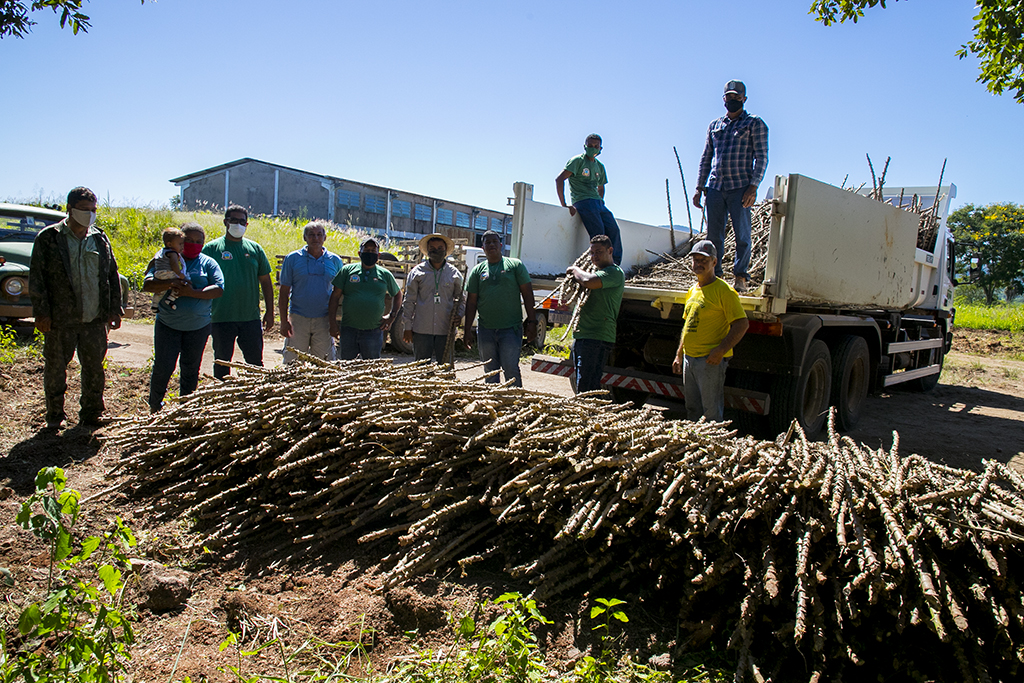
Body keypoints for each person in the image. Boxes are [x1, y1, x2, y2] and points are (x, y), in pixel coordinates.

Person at [29, 186, 122, 429]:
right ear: (69, 209)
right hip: (60, 319)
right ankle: (55, 416)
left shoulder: (99, 238)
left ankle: (91, 414)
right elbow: (37, 278)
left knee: (94, 369)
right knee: (56, 369)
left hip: (93, 318)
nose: (89, 214)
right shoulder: (50, 238)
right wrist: (41, 312)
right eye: (83, 209)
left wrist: (114, 309)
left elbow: (111, 275)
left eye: (92, 210)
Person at [692, 80, 769, 293]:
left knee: (742, 234)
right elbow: (706, 157)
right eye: (729, 97)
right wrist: (699, 187)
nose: (732, 100)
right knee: (714, 236)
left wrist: (753, 186)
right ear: (723, 99)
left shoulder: (755, 123)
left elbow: (762, 157)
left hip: (741, 187)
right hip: (716, 187)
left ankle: (740, 276)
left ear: (744, 99)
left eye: (737, 97)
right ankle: (713, 276)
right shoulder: (715, 125)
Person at [143, 223, 223, 413]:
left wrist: (191, 292)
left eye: (199, 241)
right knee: (163, 367)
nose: (193, 244)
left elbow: (219, 289)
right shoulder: (162, 258)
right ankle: (155, 407)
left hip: (198, 327)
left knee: (190, 369)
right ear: (178, 240)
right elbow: (147, 285)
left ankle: (185, 409)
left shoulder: (208, 263)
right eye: (188, 241)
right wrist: (171, 283)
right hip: (168, 325)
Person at [671, 240, 749, 422]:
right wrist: (679, 354)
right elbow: (688, 325)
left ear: (714, 262)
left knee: (711, 413)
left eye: (703, 261)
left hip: (709, 361)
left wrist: (720, 350)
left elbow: (741, 324)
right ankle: (694, 447)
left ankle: (711, 447)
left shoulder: (724, 291)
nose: (698, 264)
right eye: (695, 260)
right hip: (690, 359)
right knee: (692, 408)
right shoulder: (693, 290)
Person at [201, 204, 274, 379]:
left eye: (242, 221)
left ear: (247, 225)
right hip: (221, 317)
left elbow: (266, 281)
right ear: (226, 222)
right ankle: (220, 395)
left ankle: (256, 396)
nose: (238, 224)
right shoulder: (212, 249)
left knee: (255, 362)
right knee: (222, 361)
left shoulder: (255, 249)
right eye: (234, 220)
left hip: (250, 317)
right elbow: (201, 281)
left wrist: (270, 312)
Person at [463, 230, 537, 386]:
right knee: (490, 371)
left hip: (510, 329)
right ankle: (494, 404)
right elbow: (471, 302)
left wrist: (532, 322)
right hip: (485, 330)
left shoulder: (515, 265)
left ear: (501, 245)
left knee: (510, 369)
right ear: (482, 247)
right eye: (487, 242)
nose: (491, 245)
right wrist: (467, 329)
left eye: (494, 242)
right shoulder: (477, 271)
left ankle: (515, 403)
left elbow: (528, 295)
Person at [565, 234, 624, 393]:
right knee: (584, 384)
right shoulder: (595, 271)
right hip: (584, 335)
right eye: (592, 253)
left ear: (610, 250)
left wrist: (575, 269)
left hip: (596, 336)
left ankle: (587, 415)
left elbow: (589, 282)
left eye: (598, 252)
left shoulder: (614, 273)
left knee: (587, 385)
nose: (594, 256)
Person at [278, 220, 343, 363]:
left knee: (323, 364)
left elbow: (340, 293)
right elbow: (284, 292)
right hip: (298, 318)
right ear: (305, 238)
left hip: (323, 320)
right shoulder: (293, 259)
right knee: (293, 362)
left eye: (319, 235)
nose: (316, 238)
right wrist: (284, 321)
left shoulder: (334, 261)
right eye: (311, 235)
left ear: (325, 238)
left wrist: (334, 322)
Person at [328, 236, 402, 360]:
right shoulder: (347, 271)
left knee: (371, 369)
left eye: (373, 252)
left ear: (378, 255)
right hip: (349, 330)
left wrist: (392, 316)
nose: (369, 254)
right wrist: (332, 324)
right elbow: (335, 297)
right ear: (359, 253)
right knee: (347, 368)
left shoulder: (385, 274)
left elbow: (398, 294)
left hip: (373, 331)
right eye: (366, 251)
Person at [556, 133, 623, 265]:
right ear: (585, 146)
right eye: (590, 146)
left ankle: (614, 265)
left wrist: (600, 201)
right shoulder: (577, 161)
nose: (593, 148)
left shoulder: (600, 166)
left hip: (598, 202)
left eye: (596, 146)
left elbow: (601, 187)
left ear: (600, 149)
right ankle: (598, 265)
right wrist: (564, 204)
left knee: (614, 230)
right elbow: (559, 179)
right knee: (599, 234)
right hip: (583, 200)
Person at [402, 233, 466, 364]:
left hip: (445, 330)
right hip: (421, 330)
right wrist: (407, 327)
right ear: (427, 251)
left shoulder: (454, 274)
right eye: (432, 248)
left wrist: (459, 315)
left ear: (446, 251)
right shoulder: (417, 272)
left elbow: (461, 299)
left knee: (446, 369)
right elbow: (409, 301)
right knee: (421, 369)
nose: (436, 251)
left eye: (440, 248)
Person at [150, 227, 188, 311]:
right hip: (167, 273)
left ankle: (154, 305)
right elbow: (174, 264)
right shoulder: (173, 253)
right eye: (180, 244)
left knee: (160, 291)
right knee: (183, 283)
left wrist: (147, 270)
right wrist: (179, 274)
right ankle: (171, 298)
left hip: (158, 274)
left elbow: (152, 261)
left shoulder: (161, 251)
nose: (182, 246)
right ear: (170, 244)